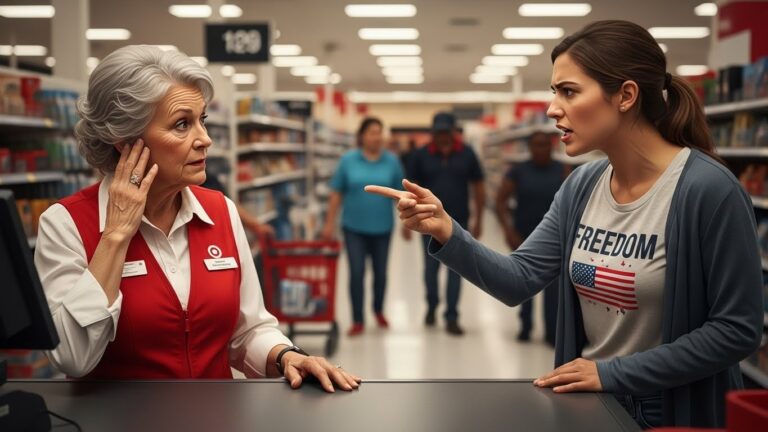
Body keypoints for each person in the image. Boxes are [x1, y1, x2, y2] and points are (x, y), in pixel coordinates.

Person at [367, 20, 763, 429]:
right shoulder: (582, 186)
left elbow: (737, 329)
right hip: (591, 406)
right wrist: (446, 228)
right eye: (554, 92)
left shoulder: (708, 191)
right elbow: (518, 279)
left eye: (568, 92)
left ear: (626, 95)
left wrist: (612, 373)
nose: (552, 108)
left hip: (673, 413)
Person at [34, 45, 360, 392]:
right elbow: (71, 356)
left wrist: (285, 355)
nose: (204, 139)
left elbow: (248, 330)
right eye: (181, 125)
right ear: (125, 140)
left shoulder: (220, 211)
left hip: (215, 419)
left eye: (201, 120)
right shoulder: (66, 224)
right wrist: (115, 235)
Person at [320, 117, 405, 337]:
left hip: (383, 228)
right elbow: (337, 192)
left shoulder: (392, 161)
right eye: (371, 132)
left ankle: (378, 310)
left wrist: (407, 222)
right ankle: (358, 319)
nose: (376, 137)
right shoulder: (348, 160)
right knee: (356, 273)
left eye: (379, 132)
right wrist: (329, 224)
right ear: (362, 136)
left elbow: (401, 193)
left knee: (381, 273)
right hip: (353, 228)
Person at [407, 112, 485, 336]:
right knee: (430, 269)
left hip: (458, 223)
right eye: (438, 132)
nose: (441, 136)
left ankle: (451, 316)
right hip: (427, 222)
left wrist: (479, 219)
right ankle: (432, 306)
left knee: (456, 270)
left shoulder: (467, 153)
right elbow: (411, 190)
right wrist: (408, 222)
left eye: (445, 132)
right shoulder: (421, 155)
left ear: (453, 131)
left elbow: (478, 186)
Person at [495, 131, 568, 344]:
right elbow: (500, 201)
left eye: (545, 145)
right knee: (523, 282)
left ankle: (551, 332)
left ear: (552, 147)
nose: (541, 149)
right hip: (523, 235)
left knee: (553, 289)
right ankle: (525, 326)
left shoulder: (562, 170)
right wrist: (508, 231)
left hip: (555, 239)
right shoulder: (518, 171)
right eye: (537, 145)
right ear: (530, 147)